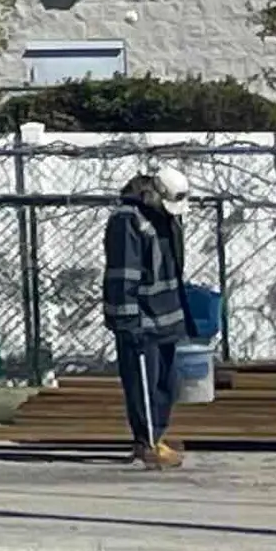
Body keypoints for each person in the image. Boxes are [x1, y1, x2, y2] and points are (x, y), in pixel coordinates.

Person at [101, 164, 192, 468]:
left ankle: (159, 435)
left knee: (166, 382)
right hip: (141, 318)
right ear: (154, 192)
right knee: (143, 382)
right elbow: (123, 273)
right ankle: (147, 442)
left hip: (167, 315)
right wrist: (127, 321)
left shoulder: (166, 217)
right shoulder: (128, 221)